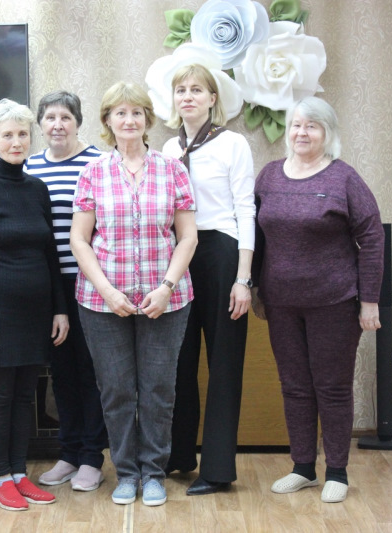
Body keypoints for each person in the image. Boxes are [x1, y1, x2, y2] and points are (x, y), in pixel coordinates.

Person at [69, 82, 198, 507]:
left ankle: (154, 473)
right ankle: (126, 473)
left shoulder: (172, 169)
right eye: (120, 113)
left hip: (166, 302)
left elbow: (188, 237)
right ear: (108, 120)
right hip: (103, 303)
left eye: (137, 113)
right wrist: (107, 291)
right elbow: (80, 240)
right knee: (117, 390)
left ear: (148, 119)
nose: (129, 120)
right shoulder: (93, 172)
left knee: (159, 389)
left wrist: (166, 288)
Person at [251, 96, 384, 504]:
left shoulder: (344, 178)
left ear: (328, 133)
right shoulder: (269, 176)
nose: (302, 132)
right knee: (294, 386)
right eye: (296, 125)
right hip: (281, 303)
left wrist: (370, 301)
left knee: (332, 387)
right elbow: (256, 236)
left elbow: (372, 237)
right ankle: (303, 467)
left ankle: (337, 471)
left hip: (334, 302)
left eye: (312, 125)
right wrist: (254, 286)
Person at [0, 98, 69, 512]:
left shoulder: (38, 189)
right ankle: (2, 478)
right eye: (7, 135)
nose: (16, 141)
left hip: (36, 312)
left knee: (26, 397)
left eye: (23, 134)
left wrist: (60, 309)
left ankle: (20, 473)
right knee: (0, 397)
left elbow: (50, 254)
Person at [160, 63, 255, 495]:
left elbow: (246, 210)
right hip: (179, 254)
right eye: (181, 89)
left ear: (212, 99)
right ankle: (179, 454)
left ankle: (217, 470)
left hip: (221, 253)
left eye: (197, 89)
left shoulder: (232, 143)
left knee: (223, 363)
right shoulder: (168, 148)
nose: (188, 96)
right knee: (178, 360)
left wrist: (243, 278)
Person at [24, 90, 108, 492]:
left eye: (65, 117)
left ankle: (92, 456)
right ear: (40, 124)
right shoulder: (29, 166)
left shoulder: (98, 163)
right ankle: (69, 452)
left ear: (78, 122)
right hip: (48, 286)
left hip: (91, 281)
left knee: (91, 371)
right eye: (50, 117)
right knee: (62, 373)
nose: (57, 125)